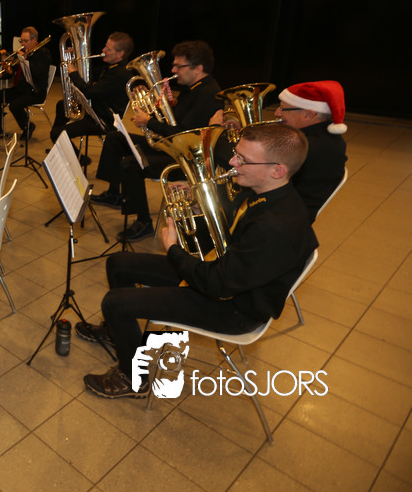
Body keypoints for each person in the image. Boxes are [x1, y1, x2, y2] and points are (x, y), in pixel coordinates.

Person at [78, 123, 318, 399]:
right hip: (227, 277)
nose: (232, 162)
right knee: (119, 263)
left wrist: (173, 250)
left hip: (234, 308)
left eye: (243, 159)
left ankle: (133, 380)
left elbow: (216, 285)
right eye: (236, 154)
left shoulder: (274, 227)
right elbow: (233, 232)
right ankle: (117, 332)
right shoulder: (263, 190)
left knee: (115, 302)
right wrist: (196, 202)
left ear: (278, 170)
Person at [91, 40, 221, 242]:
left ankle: (143, 222)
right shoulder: (192, 88)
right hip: (173, 147)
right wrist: (151, 106)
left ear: (198, 68)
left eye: (179, 66)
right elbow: (174, 121)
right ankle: (115, 193)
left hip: (186, 160)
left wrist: (149, 122)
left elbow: (181, 133)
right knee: (115, 138)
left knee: (132, 164)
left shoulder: (207, 94)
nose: (173, 70)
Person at [272, 81, 348, 220]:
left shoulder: (305, 146)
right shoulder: (325, 136)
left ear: (308, 115)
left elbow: (263, 175)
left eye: (283, 108)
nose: (277, 113)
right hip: (289, 208)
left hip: (282, 217)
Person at [49, 31, 134, 147]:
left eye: (108, 49)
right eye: (105, 46)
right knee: (61, 105)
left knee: (55, 134)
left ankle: (74, 155)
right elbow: (91, 73)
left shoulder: (119, 74)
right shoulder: (114, 67)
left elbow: (88, 92)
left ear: (120, 53)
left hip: (102, 119)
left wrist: (73, 74)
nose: (103, 50)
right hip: (95, 108)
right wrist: (76, 58)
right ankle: (60, 146)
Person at [0, 26, 54, 141]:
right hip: (21, 89)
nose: (22, 44)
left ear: (34, 40)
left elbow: (38, 73)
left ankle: (28, 126)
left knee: (14, 105)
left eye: (25, 41)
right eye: (21, 41)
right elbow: (12, 71)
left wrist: (25, 60)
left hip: (36, 91)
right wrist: (1, 75)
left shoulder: (44, 53)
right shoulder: (24, 52)